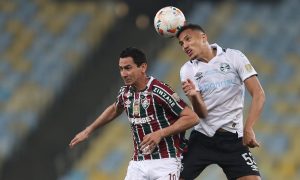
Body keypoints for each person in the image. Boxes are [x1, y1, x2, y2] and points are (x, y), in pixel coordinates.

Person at [69, 47, 200, 180]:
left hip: (166, 161)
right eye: (121, 69)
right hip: (138, 162)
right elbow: (115, 109)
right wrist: (88, 130)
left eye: (128, 68)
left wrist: (160, 133)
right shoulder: (125, 92)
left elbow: (192, 118)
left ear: (142, 67)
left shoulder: (159, 90)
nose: (124, 73)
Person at [176, 24, 266, 180]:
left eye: (187, 39)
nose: (185, 46)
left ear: (203, 37)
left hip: (233, 139)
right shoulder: (187, 70)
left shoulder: (234, 57)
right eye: (181, 43)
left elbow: (258, 93)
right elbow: (201, 114)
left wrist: (248, 127)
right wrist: (194, 96)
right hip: (202, 137)